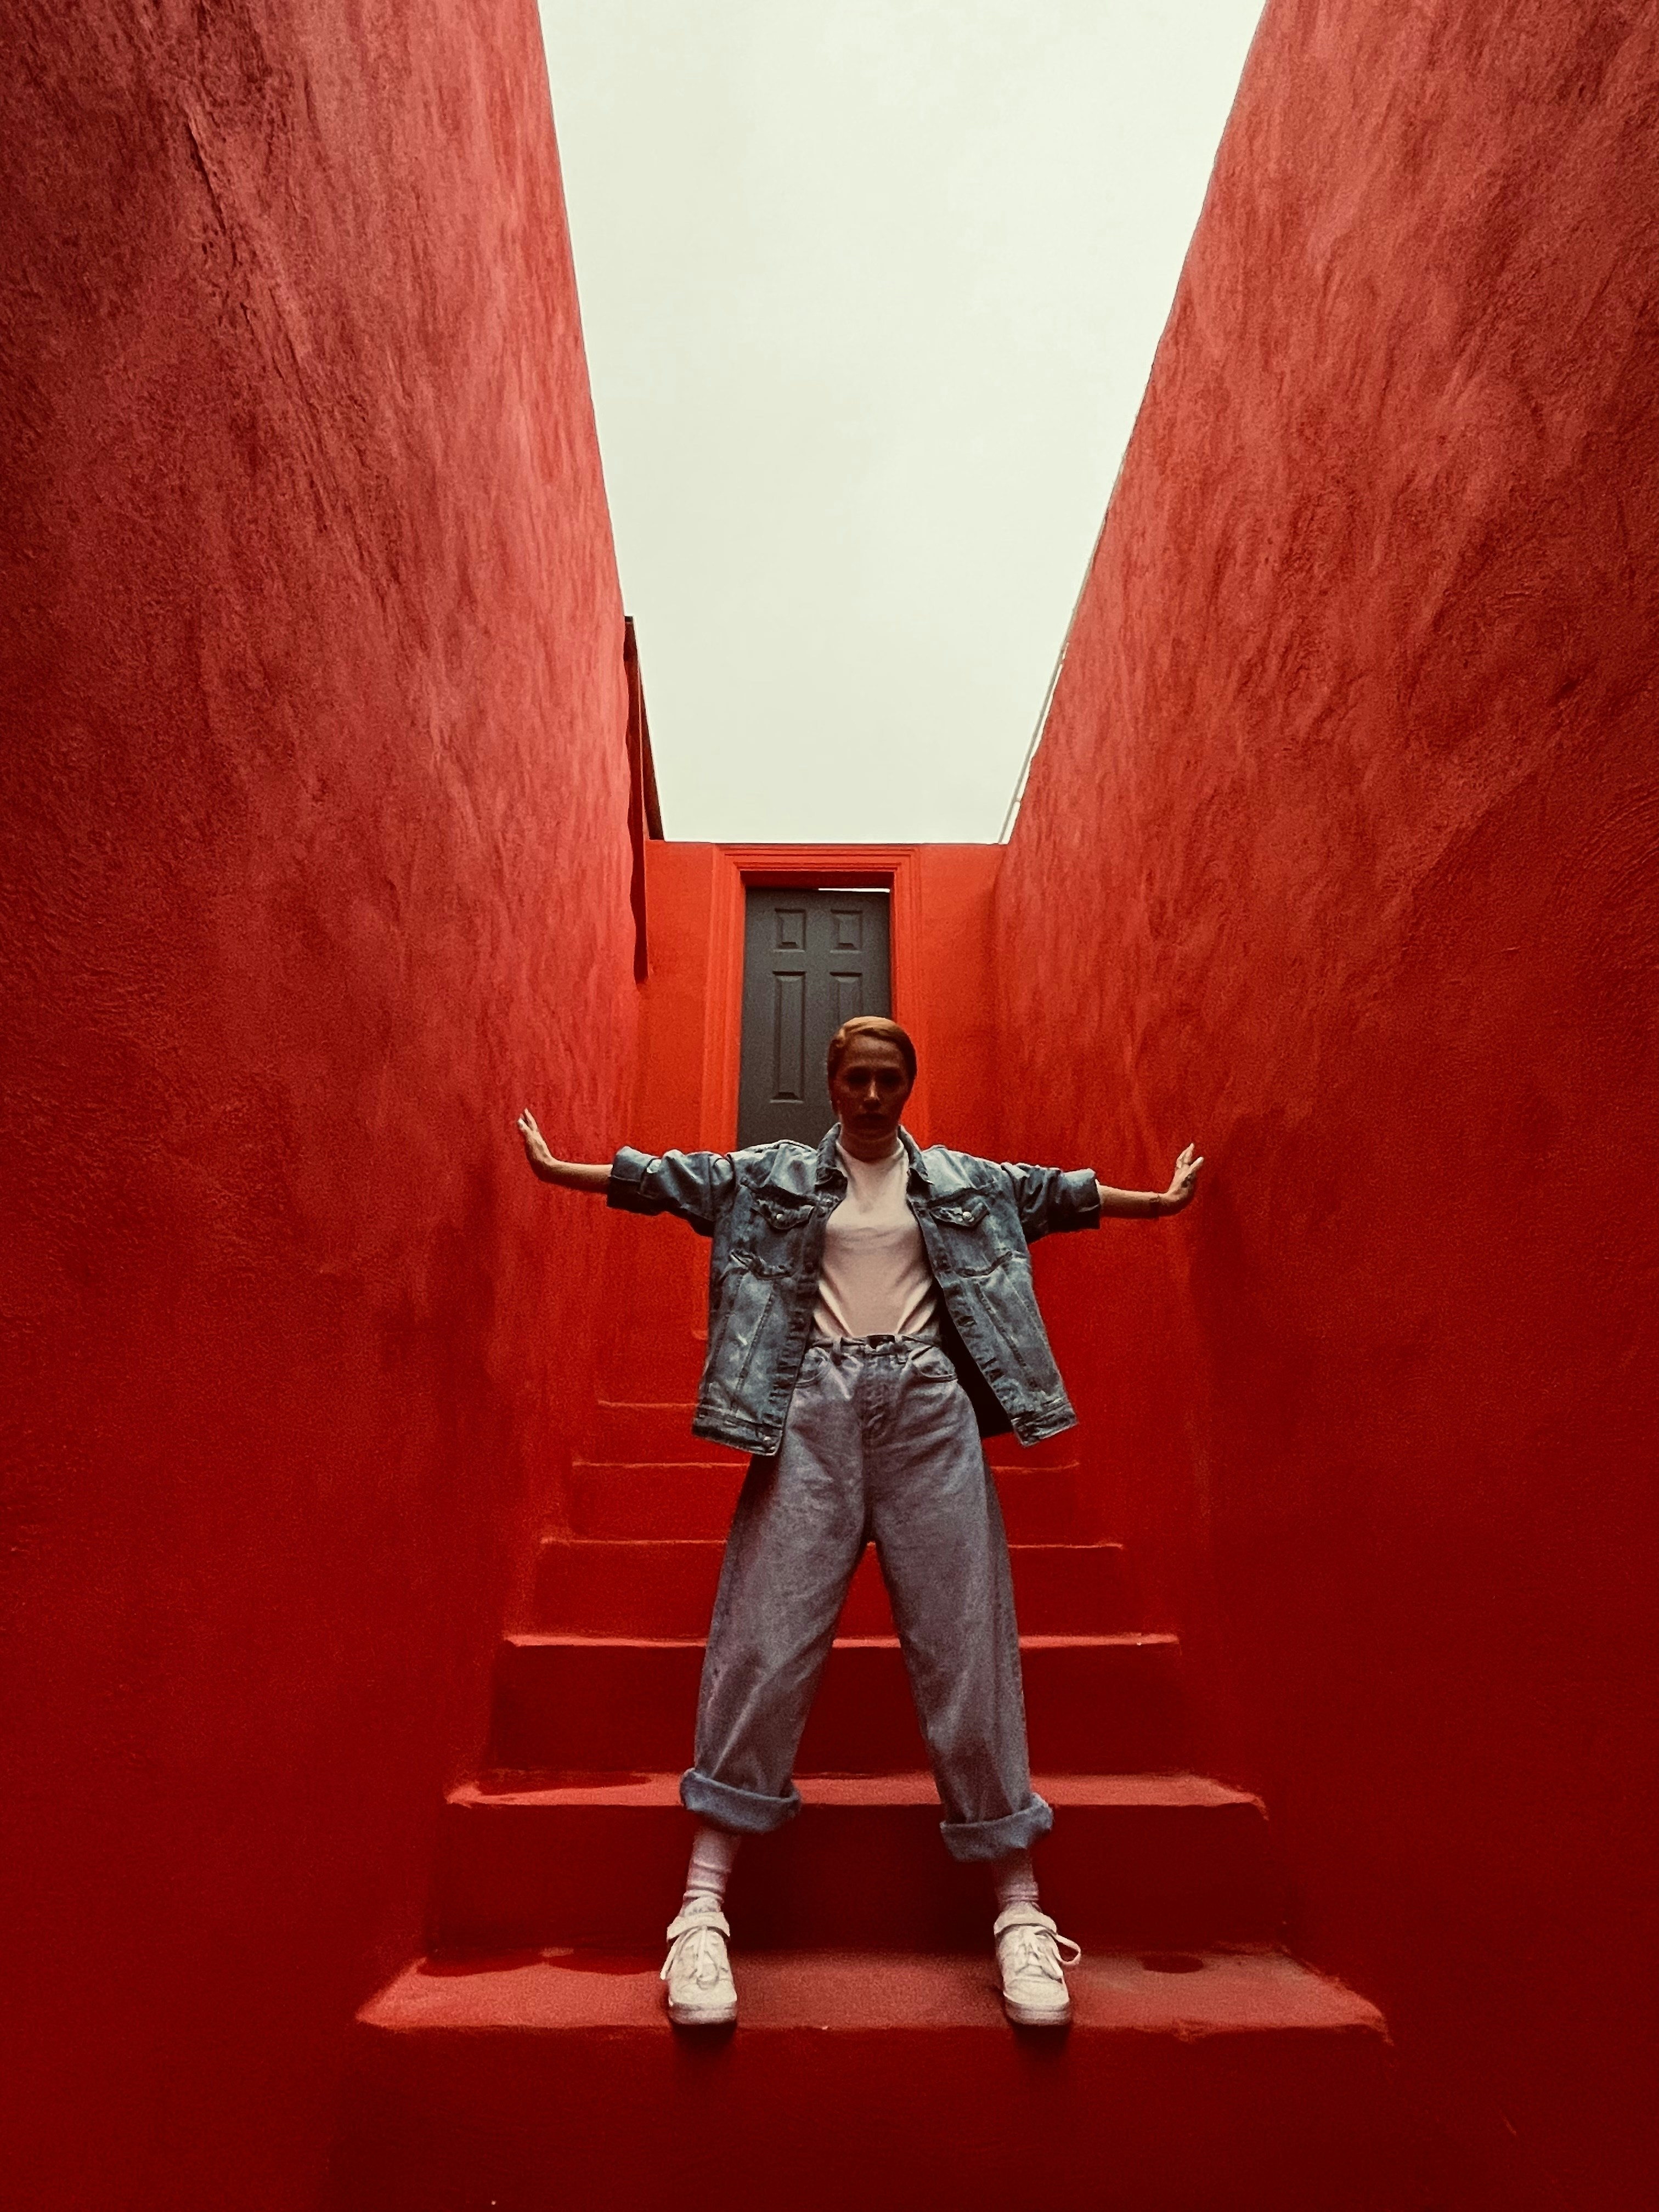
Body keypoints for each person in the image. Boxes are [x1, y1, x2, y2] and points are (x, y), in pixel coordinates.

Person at [517, 1015, 1202, 2030]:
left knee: (967, 1645)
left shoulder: (965, 1179)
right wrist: (558, 1167)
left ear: (909, 1085)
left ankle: (1019, 1914)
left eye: (890, 1080)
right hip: (810, 1409)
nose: (874, 1097)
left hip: (930, 1415)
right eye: (858, 1080)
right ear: (830, 1083)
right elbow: (671, 1180)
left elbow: (1059, 1196)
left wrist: (1160, 1199)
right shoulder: (774, 1175)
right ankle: (701, 1912)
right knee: (764, 1641)